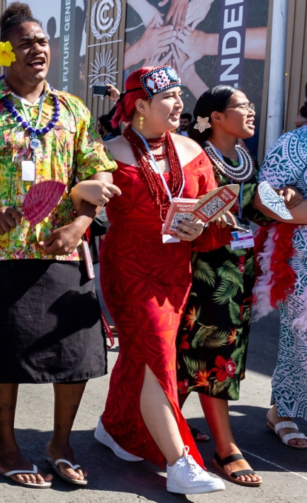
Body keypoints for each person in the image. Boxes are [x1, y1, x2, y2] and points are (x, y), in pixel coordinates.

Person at [0, 3, 116, 488]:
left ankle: (61, 442)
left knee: (76, 355)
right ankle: (6, 444)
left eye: (42, 41)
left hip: (62, 249)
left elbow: (98, 171)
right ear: (4, 52)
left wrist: (80, 224)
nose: (37, 49)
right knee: (5, 353)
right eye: (25, 42)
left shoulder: (73, 109)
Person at [96, 66, 228, 495]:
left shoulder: (192, 150)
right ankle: (179, 462)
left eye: (178, 94)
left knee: (141, 354)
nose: (178, 104)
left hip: (176, 270)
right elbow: (86, 202)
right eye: (168, 96)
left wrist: (201, 226)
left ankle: (113, 426)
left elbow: (214, 217)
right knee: (156, 352)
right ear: (139, 107)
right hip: (129, 268)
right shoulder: (109, 152)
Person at [175, 86, 294, 487]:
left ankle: (165, 425)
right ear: (216, 118)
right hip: (205, 272)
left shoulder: (243, 157)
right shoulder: (193, 156)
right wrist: (206, 217)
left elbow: (256, 212)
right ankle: (226, 448)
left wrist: (283, 200)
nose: (252, 111)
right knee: (210, 353)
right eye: (242, 107)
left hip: (237, 270)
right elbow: (182, 212)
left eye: (250, 105)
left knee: (210, 352)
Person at [255, 95, 307, 451]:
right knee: (300, 340)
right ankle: (282, 411)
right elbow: (263, 195)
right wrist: (295, 215)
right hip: (303, 263)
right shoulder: (295, 143)